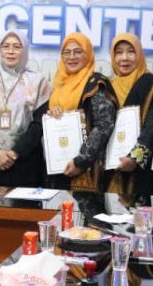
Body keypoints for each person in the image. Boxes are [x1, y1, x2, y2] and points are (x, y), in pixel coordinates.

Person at [0, 29, 51, 205]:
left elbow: (39, 124)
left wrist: (14, 153)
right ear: (0, 50)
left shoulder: (38, 82)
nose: (10, 51)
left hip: (25, 164)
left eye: (17, 46)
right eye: (6, 46)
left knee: (24, 225)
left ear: (25, 50)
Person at [42, 32, 116, 218]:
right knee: (60, 223)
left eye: (77, 51)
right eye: (67, 52)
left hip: (87, 171)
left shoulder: (96, 83)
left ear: (88, 54)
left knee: (88, 229)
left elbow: (104, 125)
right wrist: (53, 114)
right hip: (59, 170)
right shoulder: (60, 85)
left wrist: (80, 161)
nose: (72, 57)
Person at [104, 32, 153, 201]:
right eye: (119, 52)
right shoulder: (107, 87)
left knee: (140, 225)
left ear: (139, 55)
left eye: (130, 52)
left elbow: (152, 126)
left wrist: (135, 158)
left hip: (142, 173)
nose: (124, 58)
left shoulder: (152, 84)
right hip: (111, 171)